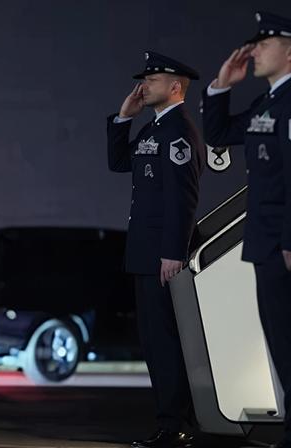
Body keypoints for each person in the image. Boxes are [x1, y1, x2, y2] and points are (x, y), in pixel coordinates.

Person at [201, 12, 291, 447]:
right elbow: (220, 132)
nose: (255, 50)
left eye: (265, 43)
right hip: (267, 243)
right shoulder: (270, 102)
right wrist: (221, 85)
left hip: (287, 246)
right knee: (283, 346)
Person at [106, 51, 204, 448]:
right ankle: (173, 418)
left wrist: (173, 252)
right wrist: (124, 118)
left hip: (162, 255)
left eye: (153, 80)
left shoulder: (178, 132)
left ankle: (175, 424)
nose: (144, 87)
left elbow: (182, 199)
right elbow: (118, 163)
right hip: (146, 252)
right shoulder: (153, 129)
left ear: (175, 87)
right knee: (154, 341)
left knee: (165, 342)